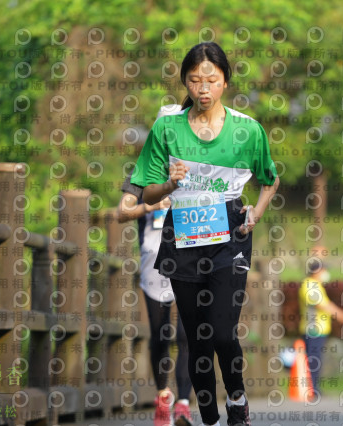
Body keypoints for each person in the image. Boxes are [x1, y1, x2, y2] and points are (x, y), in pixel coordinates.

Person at [130, 42, 279, 426]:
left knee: (224, 332)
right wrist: (168, 184)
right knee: (196, 340)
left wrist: (255, 214)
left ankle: (237, 399)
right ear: (185, 81)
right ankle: (209, 416)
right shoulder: (167, 128)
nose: (203, 88)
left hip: (230, 236)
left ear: (225, 82)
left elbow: (269, 178)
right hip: (183, 237)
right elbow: (145, 192)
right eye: (195, 80)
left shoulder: (248, 130)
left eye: (211, 79)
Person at [118, 104, 194, 426]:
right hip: (152, 259)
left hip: (190, 255)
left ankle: (184, 404)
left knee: (188, 334)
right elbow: (122, 211)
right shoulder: (145, 169)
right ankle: (163, 395)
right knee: (161, 334)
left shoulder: (196, 168)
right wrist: (156, 202)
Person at [298, 258, 343, 397]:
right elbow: (322, 305)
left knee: (316, 359)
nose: (326, 273)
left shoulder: (316, 285)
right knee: (313, 360)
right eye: (324, 270)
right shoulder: (309, 285)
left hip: (319, 330)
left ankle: (314, 389)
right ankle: (312, 390)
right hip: (313, 329)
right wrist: (341, 315)